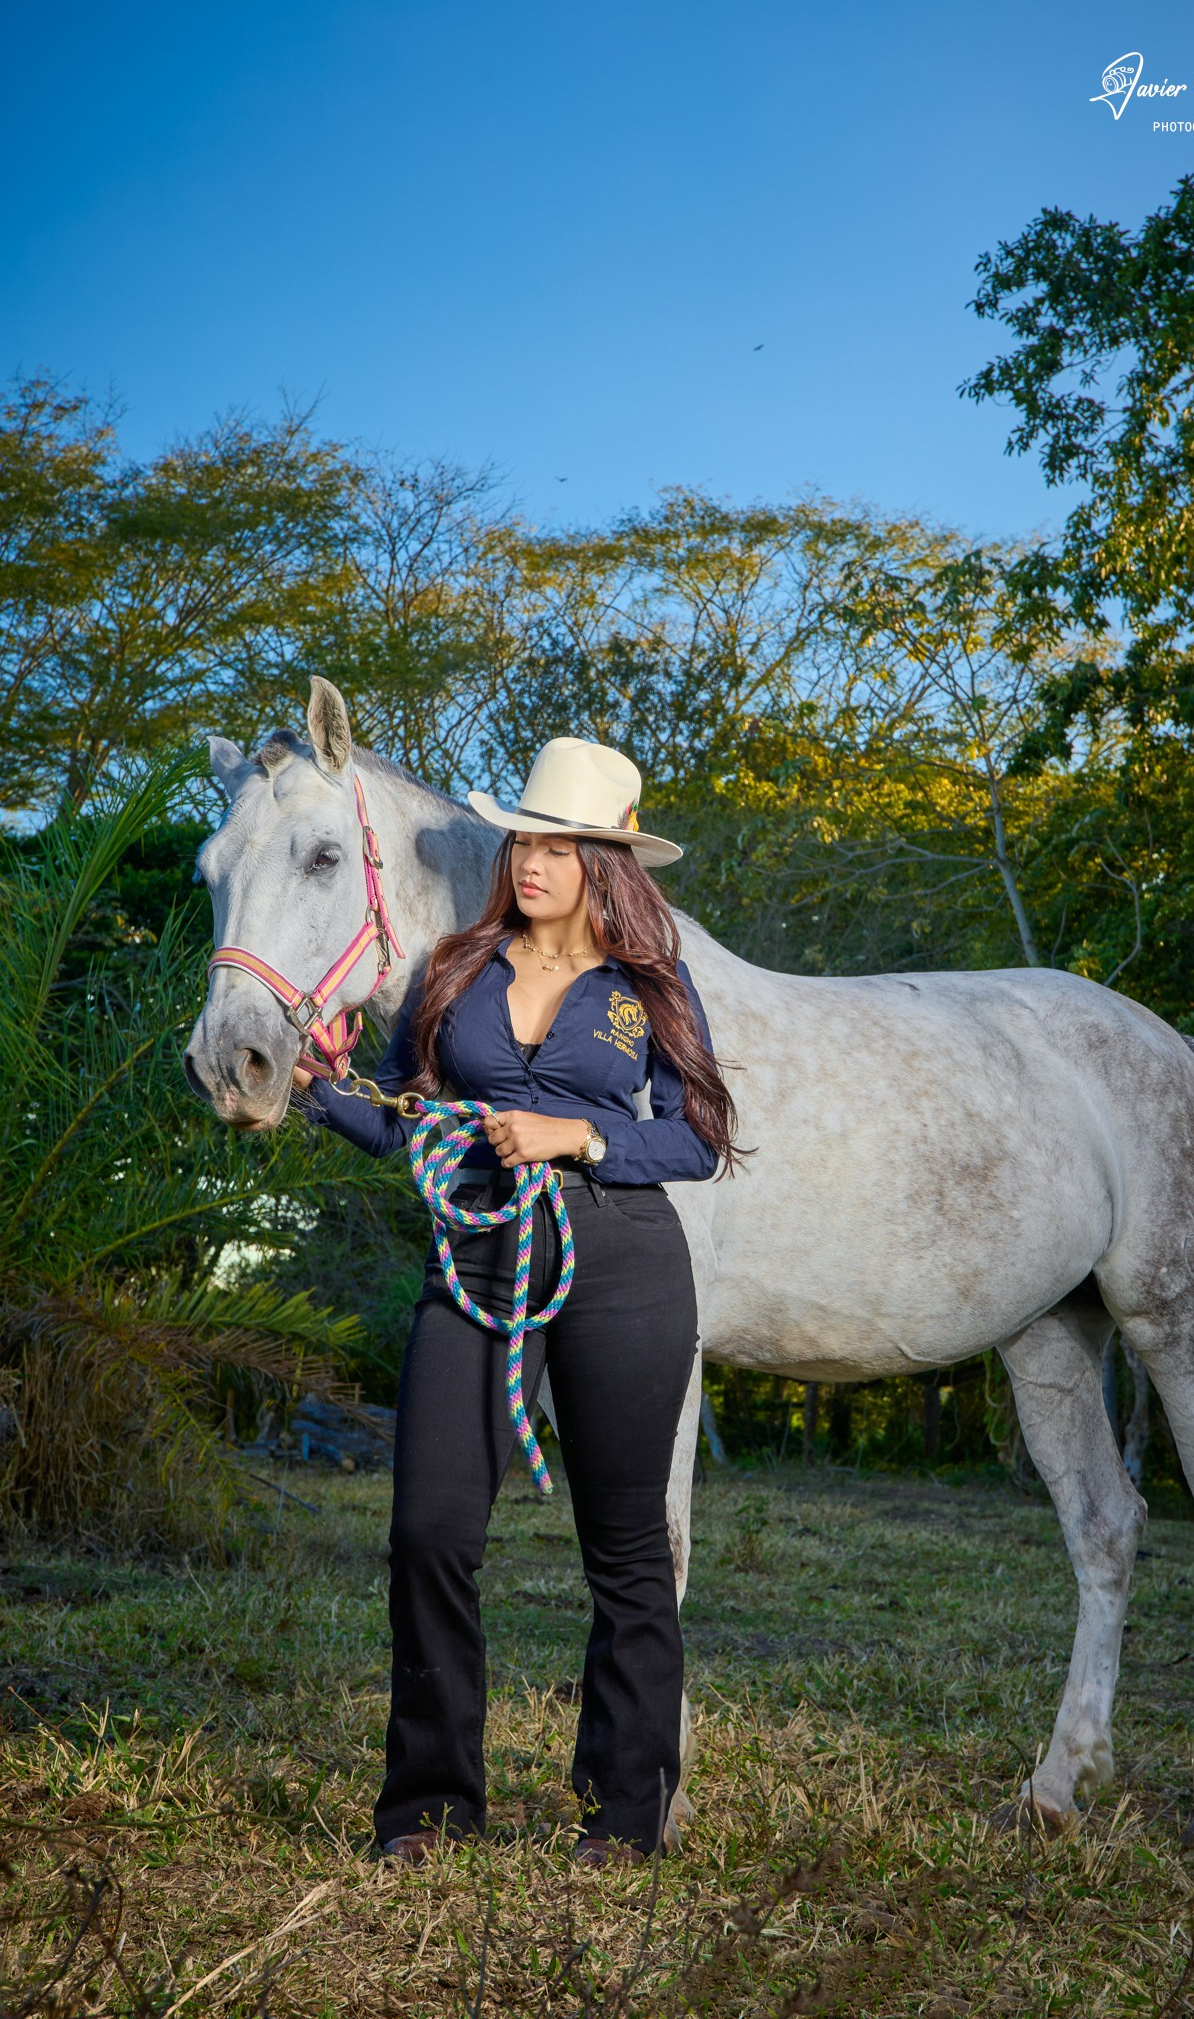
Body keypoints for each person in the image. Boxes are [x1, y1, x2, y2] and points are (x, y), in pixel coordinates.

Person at [292, 736, 741, 1869]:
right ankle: (432, 1808)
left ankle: (625, 1814)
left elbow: (698, 1135)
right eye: (524, 836)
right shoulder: (454, 966)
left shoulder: (651, 982)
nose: (531, 858)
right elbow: (404, 1119)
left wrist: (581, 1132)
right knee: (429, 1529)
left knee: (628, 1548)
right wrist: (318, 1092)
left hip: (624, 1261)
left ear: (609, 860)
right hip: (477, 1259)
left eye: (559, 841)